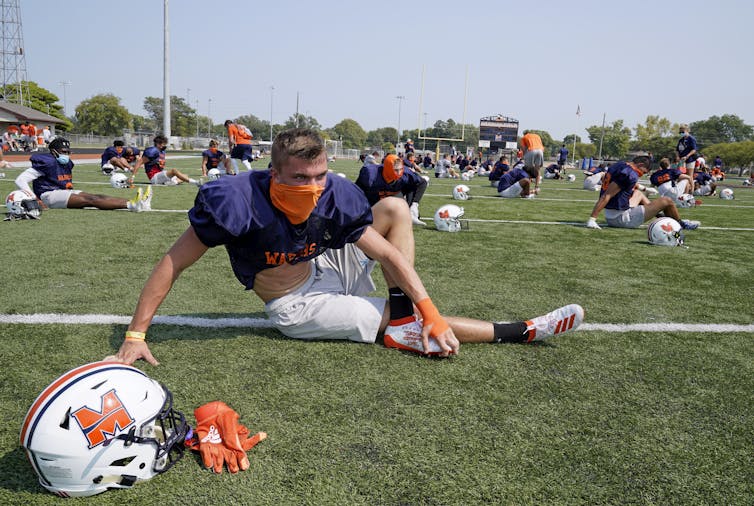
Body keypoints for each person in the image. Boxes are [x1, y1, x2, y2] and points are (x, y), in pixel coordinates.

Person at [107, 128, 583, 366]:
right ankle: (523, 331)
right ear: (274, 173)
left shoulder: (335, 193)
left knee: (395, 208)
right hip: (297, 301)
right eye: (298, 177)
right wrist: (135, 335)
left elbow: (388, 252)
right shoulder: (235, 202)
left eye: (317, 176)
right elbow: (173, 263)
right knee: (406, 323)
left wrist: (426, 307)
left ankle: (402, 320)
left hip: (323, 262)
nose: (311, 186)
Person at [14, 137, 152, 212]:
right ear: (54, 151)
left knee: (97, 196)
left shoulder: (66, 163)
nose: (67, 154)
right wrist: (34, 198)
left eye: (68, 152)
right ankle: (131, 205)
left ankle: (137, 202)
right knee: (91, 200)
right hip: (48, 195)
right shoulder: (47, 162)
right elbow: (20, 180)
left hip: (62, 192)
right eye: (64, 151)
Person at [586, 156, 699, 230]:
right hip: (620, 219)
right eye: (643, 171)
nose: (641, 174)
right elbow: (607, 195)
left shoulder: (620, 165)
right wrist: (592, 219)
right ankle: (681, 224)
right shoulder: (629, 174)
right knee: (667, 201)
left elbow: (620, 184)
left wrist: (644, 189)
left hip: (612, 214)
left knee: (638, 194)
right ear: (640, 165)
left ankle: (660, 217)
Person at [355, 153, 427, 226]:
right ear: (387, 168)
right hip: (373, 200)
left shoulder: (406, 173)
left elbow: (422, 183)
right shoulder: (371, 175)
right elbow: (356, 192)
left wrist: (414, 205)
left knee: (399, 216)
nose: (399, 173)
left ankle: (410, 213)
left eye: (400, 169)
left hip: (393, 195)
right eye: (396, 170)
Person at [131, 135, 202, 187]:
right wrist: (132, 177)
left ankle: (172, 182)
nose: (165, 145)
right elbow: (139, 163)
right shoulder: (152, 151)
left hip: (160, 174)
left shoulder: (162, 151)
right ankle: (196, 183)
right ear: (158, 144)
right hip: (154, 177)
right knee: (174, 171)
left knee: (184, 176)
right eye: (163, 143)